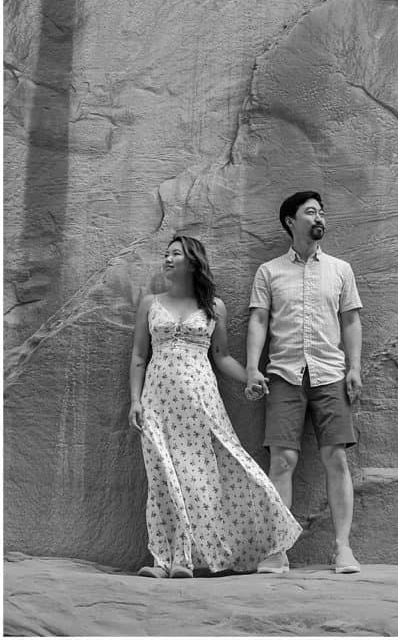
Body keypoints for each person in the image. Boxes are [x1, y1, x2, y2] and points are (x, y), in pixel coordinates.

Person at [129, 235, 302, 578]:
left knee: (202, 477)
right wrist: (134, 401)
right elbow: (138, 356)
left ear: (192, 261)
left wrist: (250, 377)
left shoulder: (214, 308)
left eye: (175, 254)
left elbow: (222, 357)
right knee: (162, 477)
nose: (167, 259)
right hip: (157, 403)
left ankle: (190, 559)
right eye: (166, 254)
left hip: (201, 401)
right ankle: (163, 562)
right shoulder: (150, 303)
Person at [245, 191, 364, 575]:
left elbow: (351, 321)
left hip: (330, 373)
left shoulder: (341, 270)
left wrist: (355, 368)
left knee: (337, 459)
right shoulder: (269, 272)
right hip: (283, 373)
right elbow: (259, 320)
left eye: (322, 212)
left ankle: (343, 549)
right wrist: (251, 368)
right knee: (281, 461)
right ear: (289, 222)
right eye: (310, 212)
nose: (320, 217)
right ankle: (278, 550)